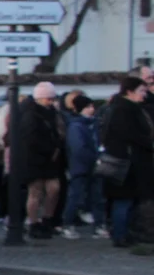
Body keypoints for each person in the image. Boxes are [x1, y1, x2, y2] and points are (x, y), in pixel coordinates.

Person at [103, 77, 154, 248]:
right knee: (123, 200)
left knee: (129, 200)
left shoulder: (128, 108)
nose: (144, 95)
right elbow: (131, 135)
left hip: (132, 162)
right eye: (141, 91)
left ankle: (127, 233)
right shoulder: (123, 110)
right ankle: (120, 234)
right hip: (126, 163)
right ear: (130, 91)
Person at [19, 82, 66, 240]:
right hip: (35, 158)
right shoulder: (30, 114)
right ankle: (33, 222)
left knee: (54, 188)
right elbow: (30, 138)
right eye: (49, 99)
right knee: (36, 191)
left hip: (50, 156)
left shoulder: (52, 113)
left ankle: (47, 218)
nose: (52, 102)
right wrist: (50, 148)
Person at [63, 94, 104, 240]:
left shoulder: (92, 124)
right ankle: (68, 224)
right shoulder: (76, 126)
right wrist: (94, 159)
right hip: (81, 167)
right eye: (88, 107)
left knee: (96, 197)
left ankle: (99, 225)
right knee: (76, 196)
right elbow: (78, 148)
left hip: (91, 166)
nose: (91, 109)